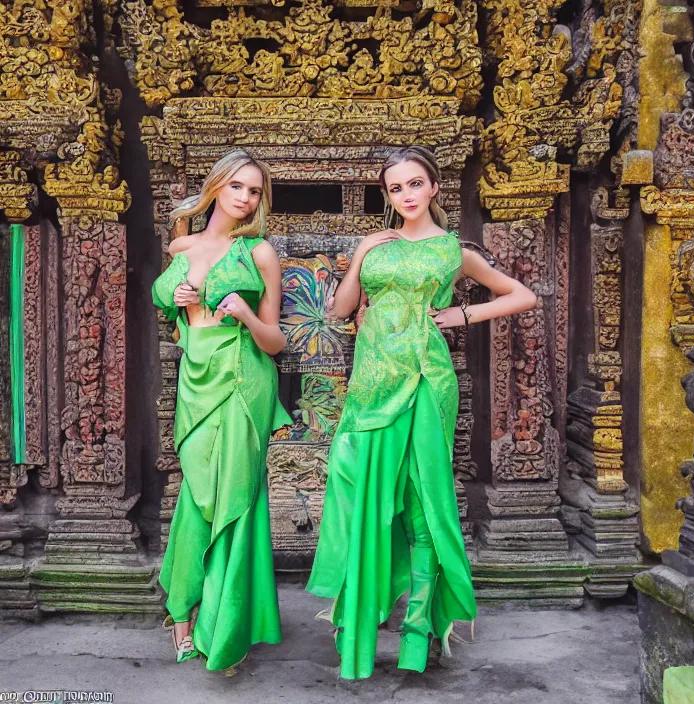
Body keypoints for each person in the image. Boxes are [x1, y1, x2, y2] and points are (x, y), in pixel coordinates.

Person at [306, 146, 538, 680]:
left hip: (425, 382)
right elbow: (340, 311)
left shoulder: (453, 250)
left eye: (415, 184)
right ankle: (357, 625)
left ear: (434, 188)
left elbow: (520, 295)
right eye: (395, 188)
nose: (406, 195)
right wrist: (361, 252)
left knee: (425, 502)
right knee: (364, 500)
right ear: (387, 196)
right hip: (368, 388)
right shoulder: (378, 246)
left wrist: (460, 314)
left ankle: (419, 633)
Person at [152, 149, 291, 674]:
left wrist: (246, 314)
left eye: (254, 191)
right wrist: (181, 298)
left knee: (234, 496)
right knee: (196, 494)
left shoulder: (259, 254)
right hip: (197, 378)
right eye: (237, 186)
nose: (245, 197)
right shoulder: (182, 244)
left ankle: (220, 628)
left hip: (242, 376)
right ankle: (182, 612)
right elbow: (174, 310)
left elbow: (276, 341)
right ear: (216, 188)